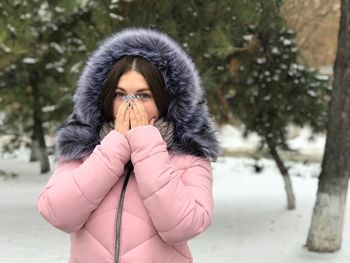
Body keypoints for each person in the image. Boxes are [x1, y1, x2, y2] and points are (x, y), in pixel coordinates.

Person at [37, 27, 221, 263]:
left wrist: (146, 144)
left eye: (143, 95)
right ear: (105, 98)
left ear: (164, 101)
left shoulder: (188, 158)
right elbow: (58, 214)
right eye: (121, 94)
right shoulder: (82, 150)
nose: (130, 104)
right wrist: (115, 146)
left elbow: (184, 226)